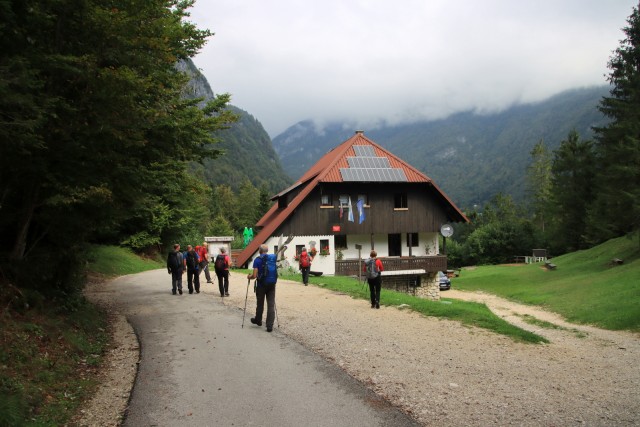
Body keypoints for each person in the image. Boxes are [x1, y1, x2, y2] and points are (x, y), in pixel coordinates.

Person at [247, 244, 276, 332]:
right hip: (271, 284)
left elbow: (255, 275)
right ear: (267, 250)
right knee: (271, 305)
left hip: (261, 285)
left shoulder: (257, 260)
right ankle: (269, 325)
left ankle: (258, 320)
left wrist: (249, 276)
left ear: (260, 250)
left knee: (260, 303)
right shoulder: (272, 259)